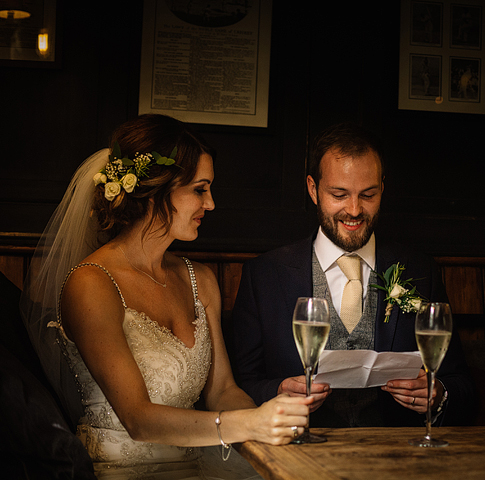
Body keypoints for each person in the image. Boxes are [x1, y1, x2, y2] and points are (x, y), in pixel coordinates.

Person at [20, 114, 311, 479]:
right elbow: (138, 419)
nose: (211, 204)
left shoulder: (199, 279)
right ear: (156, 189)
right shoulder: (91, 284)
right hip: (122, 469)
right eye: (199, 189)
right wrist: (249, 424)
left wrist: (271, 415)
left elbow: (223, 391)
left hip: (199, 459)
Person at [229, 122, 474, 427]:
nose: (355, 210)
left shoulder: (420, 270)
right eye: (340, 194)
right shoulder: (263, 275)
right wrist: (276, 391)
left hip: (397, 459)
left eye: (368, 195)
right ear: (312, 189)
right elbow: (240, 384)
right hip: (297, 455)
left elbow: (460, 382)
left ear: (382, 188)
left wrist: (438, 394)